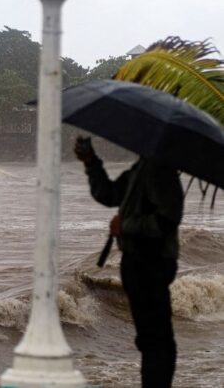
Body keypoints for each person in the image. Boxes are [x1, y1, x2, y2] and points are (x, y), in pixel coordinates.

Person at [74, 136, 184, 388]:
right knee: (151, 339)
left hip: (152, 262)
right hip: (137, 261)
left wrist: (125, 225)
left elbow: (168, 219)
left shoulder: (160, 172)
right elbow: (110, 194)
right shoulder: (142, 169)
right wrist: (91, 163)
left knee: (156, 340)